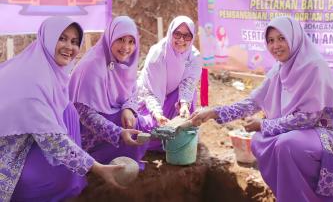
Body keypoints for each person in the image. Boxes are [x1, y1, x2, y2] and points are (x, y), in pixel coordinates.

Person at [190, 16, 333, 202]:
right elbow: (252, 102)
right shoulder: (280, 69)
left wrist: (264, 124)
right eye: (271, 40)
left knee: (286, 145)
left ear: (293, 37)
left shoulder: (314, 66)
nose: (275, 45)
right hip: (309, 134)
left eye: (281, 38)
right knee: (259, 142)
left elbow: (307, 118)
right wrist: (214, 112)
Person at [0, 17, 124, 202]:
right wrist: (96, 168)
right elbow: (53, 140)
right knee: (68, 113)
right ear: (47, 39)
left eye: (74, 42)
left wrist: (120, 131)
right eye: (62, 38)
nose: (69, 47)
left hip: (26, 143)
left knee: (67, 109)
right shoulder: (33, 80)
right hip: (9, 162)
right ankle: (60, 183)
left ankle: (69, 178)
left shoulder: (42, 69)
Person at [69, 16, 147, 168]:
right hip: (87, 132)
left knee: (135, 122)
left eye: (131, 41)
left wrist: (128, 109)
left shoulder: (125, 63)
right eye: (120, 39)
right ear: (110, 37)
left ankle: (122, 161)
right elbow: (84, 114)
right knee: (128, 129)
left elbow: (132, 90)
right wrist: (117, 133)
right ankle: (96, 162)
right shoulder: (92, 66)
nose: (126, 47)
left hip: (111, 119)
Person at [137, 15, 201, 150]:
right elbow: (149, 92)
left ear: (192, 37)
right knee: (146, 130)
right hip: (148, 101)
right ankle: (163, 141)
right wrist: (158, 114)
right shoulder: (158, 54)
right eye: (177, 34)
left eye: (187, 35)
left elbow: (188, 83)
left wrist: (184, 105)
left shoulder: (193, 56)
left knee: (192, 95)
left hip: (171, 98)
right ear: (171, 33)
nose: (181, 40)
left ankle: (178, 138)